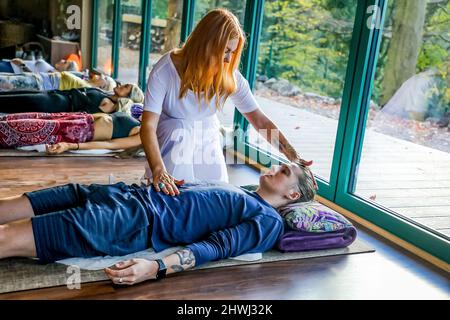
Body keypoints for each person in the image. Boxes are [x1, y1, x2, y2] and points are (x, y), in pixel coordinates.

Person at [0, 161, 317, 285]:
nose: (276, 167)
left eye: (285, 172)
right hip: (122, 193)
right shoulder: (245, 190)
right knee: (7, 209)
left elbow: (214, 247)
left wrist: (155, 268)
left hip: (127, 221)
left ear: (291, 195)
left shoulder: (268, 221)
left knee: (7, 239)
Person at [141, 8, 312, 196]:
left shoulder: (229, 75)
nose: (229, 59)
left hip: (206, 136)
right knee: (178, 191)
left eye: (233, 52)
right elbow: (148, 126)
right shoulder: (165, 70)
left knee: (216, 194)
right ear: (206, 44)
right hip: (172, 139)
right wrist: (159, 170)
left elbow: (260, 120)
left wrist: (292, 155)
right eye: (226, 51)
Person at [0, 111, 141, 153]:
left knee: (21, 128)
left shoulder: (144, 134)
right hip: (77, 118)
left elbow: (109, 145)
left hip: (76, 131)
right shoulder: (141, 119)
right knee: (20, 118)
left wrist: (70, 145)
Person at [0, 83, 144, 114]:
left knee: (7, 103)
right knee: (9, 94)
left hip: (54, 104)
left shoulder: (108, 106)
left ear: (126, 97)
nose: (121, 84)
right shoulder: (106, 95)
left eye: (125, 87)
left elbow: (84, 113)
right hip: (53, 94)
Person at [0, 71, 116, 92]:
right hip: (40, 78)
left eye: (105, 78)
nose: (102, 76)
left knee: (6, 82)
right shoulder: (85, 80)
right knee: (6, 78)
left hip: (40, 85)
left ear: (103, 86)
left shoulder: (86, 88)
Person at [0, 58, 78, 74]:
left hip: (13, 70)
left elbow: (33, 77)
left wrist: (21, 64)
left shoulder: (51, 74)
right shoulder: (52, 69)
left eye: (65, 62)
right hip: (11, 65)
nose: (62, 60)